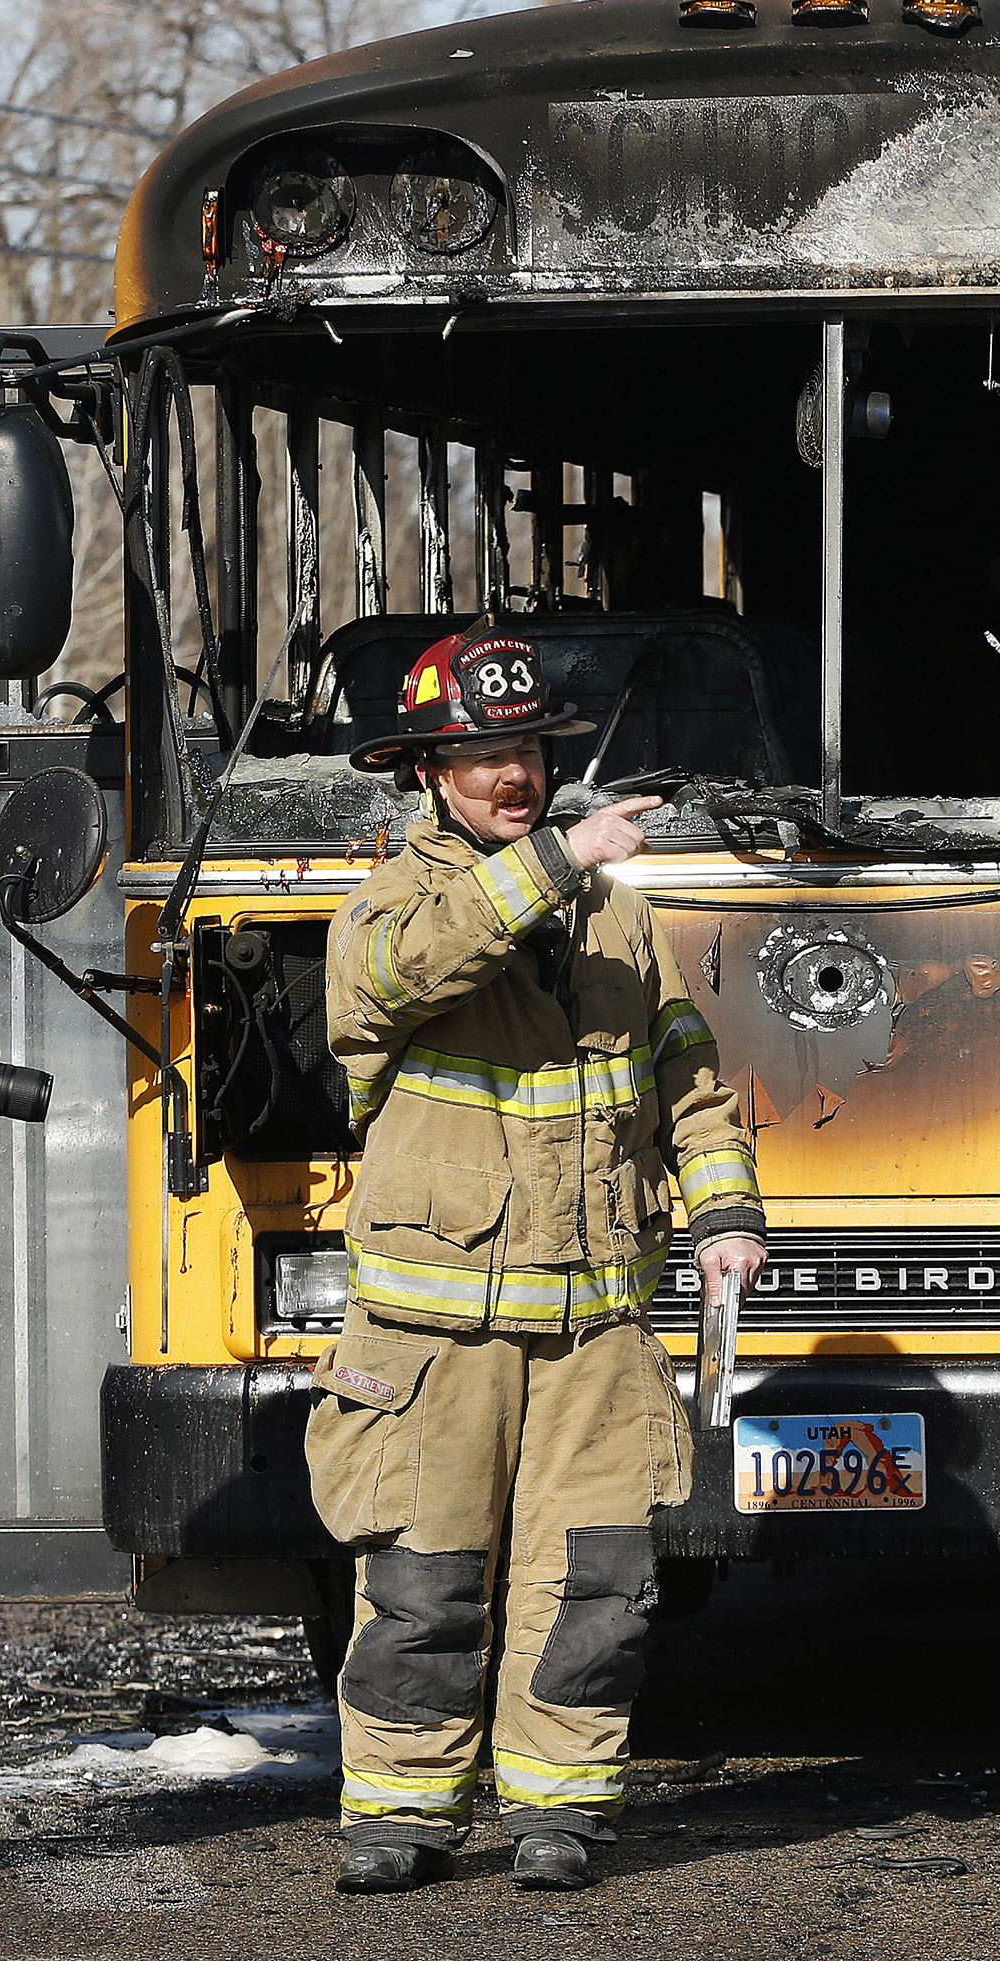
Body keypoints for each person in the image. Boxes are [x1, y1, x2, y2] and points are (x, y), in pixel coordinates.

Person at [312, 618, 766, 1896]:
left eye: (527, 747)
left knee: (596, 1589)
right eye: (482, 754)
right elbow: (406, 974)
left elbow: (689, 1086)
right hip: (432, 1341)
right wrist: (564, 855)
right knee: (423, 1583)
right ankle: (398, 1816)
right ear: (424, 774)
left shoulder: (622, 922)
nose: (513, 773)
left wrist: (726, 1218)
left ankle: (559, 1810)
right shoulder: (387, 907)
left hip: (597, 1333)